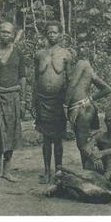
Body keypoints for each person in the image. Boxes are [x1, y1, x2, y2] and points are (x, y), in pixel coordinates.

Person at [0, 22, 27, 183]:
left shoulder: (18, 53)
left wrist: (23, 100)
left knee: (11, 132)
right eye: (2, 32)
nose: (5, 35)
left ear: (13, 35)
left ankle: (7, 170)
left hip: (13, 96)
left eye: (8, 33)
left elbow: (22, 78)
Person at [33, 21, 72, 184]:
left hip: (58, 100)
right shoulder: (39, 54)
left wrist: (68, 102)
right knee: (46, 138)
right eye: (49, 32)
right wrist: (32, 100)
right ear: (45, 34)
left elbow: (70, 80)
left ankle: (59, 170)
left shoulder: (66, 54)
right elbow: (35, 79)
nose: (52, 35)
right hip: (42, 99)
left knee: (58, 138)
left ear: (60, 35)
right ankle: (47, 170)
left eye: (55, 32)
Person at [63, 48, 111, 170]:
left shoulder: (82, 63)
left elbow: (72, 84)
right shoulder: (87, 69)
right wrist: (89, 99)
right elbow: (106, 88)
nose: (82, 49)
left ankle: (93, 169)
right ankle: (90, 171)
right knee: (85, 142)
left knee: (82, 144)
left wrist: (65, 105)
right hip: (85, 108)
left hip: (82, 109)